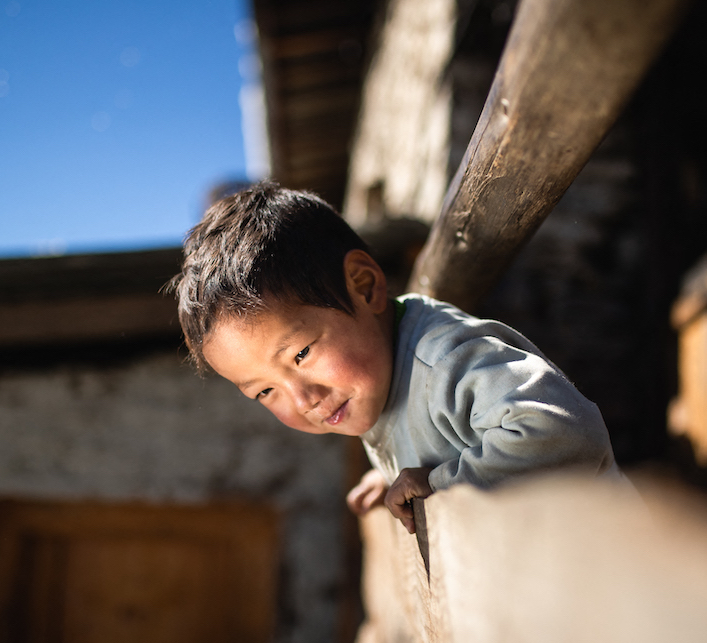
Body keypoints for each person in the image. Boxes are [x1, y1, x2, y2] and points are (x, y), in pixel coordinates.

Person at [169, 181, 622, 534]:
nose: (302, 397)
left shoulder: (443, 359)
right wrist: (391, 477)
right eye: (265, 391)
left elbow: (562, 429)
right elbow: (434, 445)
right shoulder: (371, 381)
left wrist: (439, 485)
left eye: (301, 354)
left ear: (365, 286)